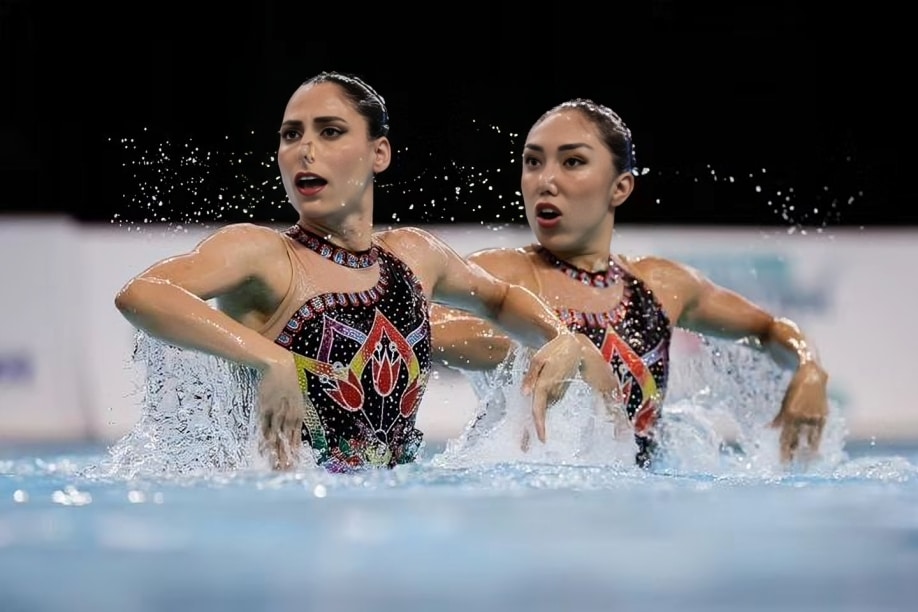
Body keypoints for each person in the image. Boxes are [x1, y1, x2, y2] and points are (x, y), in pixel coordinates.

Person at [114, 71, 595, 473]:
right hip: (283, 517)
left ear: (378, 153)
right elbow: (143, 294)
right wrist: (269, 359)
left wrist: (561, 337)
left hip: (395, 508)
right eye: (291, 134)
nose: (305, 149)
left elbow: (499, 297)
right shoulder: (262, 254)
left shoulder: (413, 255)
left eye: (330, 131)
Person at [430, 98, 829, 468]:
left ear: (620, 187)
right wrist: (540, 343)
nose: (545, 180)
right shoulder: (501, 276)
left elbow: (769, 329)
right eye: (533, 163)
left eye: (572, 162)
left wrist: (810, 369)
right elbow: (417, 328)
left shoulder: (660, 285)